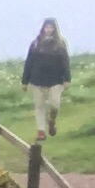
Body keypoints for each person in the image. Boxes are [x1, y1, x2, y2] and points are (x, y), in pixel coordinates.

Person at [23, 18, 72, 146]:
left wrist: (67, 79)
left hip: (56, 80)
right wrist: (25, 80)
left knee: (54, 104)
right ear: (43, 28)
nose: (48, 30)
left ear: (55, 29)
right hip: (37, 80)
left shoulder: (60, 44)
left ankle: (52, 120)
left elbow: (65, 62)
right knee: (39, 106)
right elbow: (29, 62)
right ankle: (41, 131)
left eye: (51, 27)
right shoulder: (36, 43)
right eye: (46, 27)